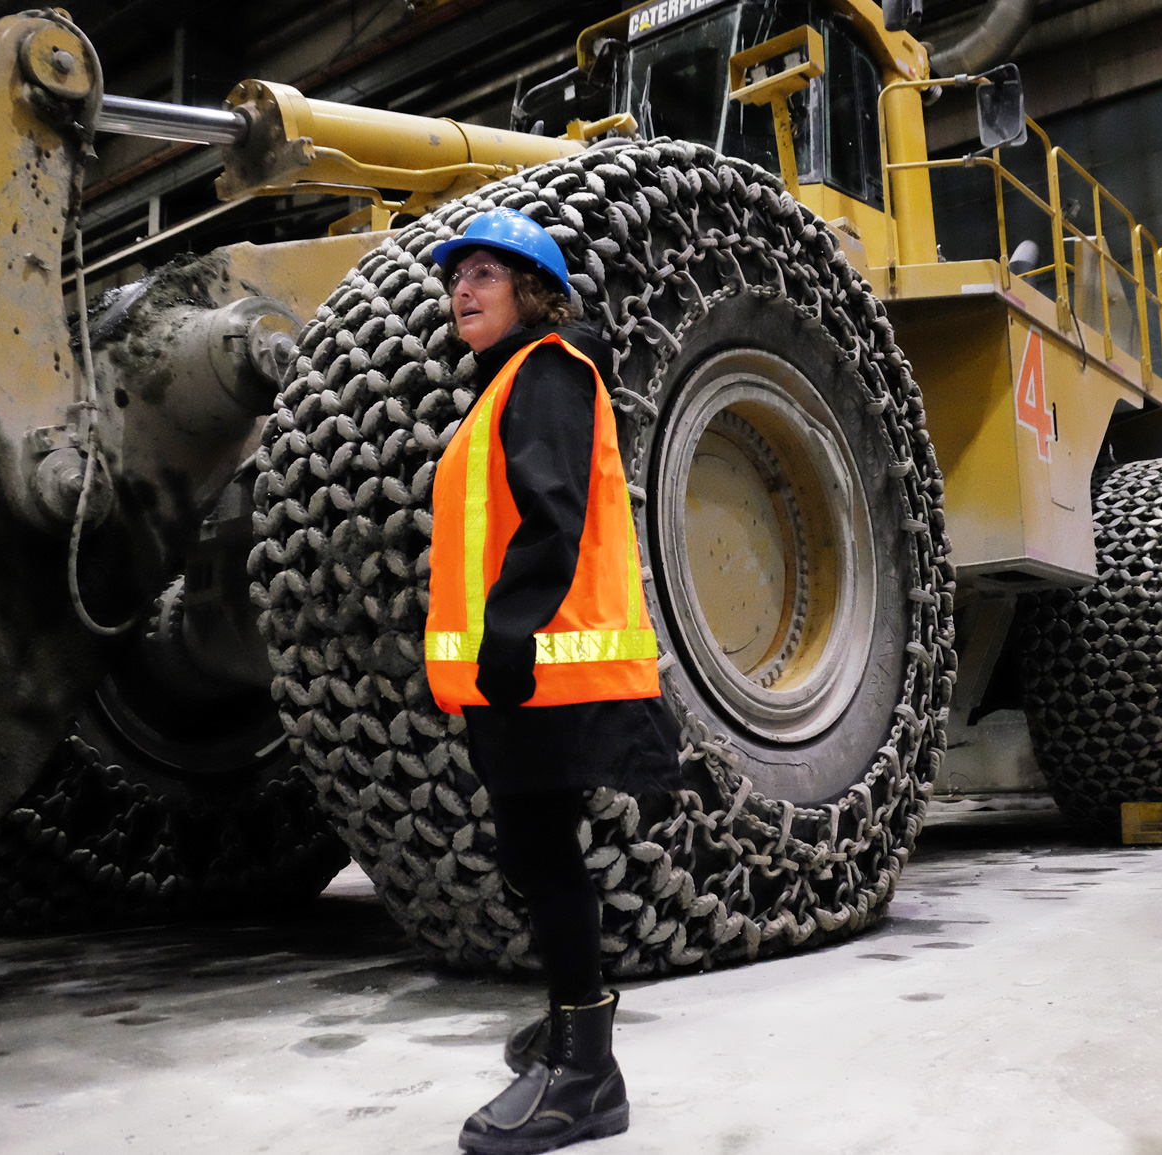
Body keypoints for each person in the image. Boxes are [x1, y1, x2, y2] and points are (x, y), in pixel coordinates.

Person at [423, 207, 681, 1155]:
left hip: (537, 669)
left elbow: (553, 514)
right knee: (535, 854)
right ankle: (574, 1025)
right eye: (457, 276)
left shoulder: (545, 376)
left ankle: (587, 1071)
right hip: (514, 674)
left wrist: (512, 631)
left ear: (533, 293)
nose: (465, 288)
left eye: (488, 272)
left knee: (545, 853)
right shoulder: (502, 390)